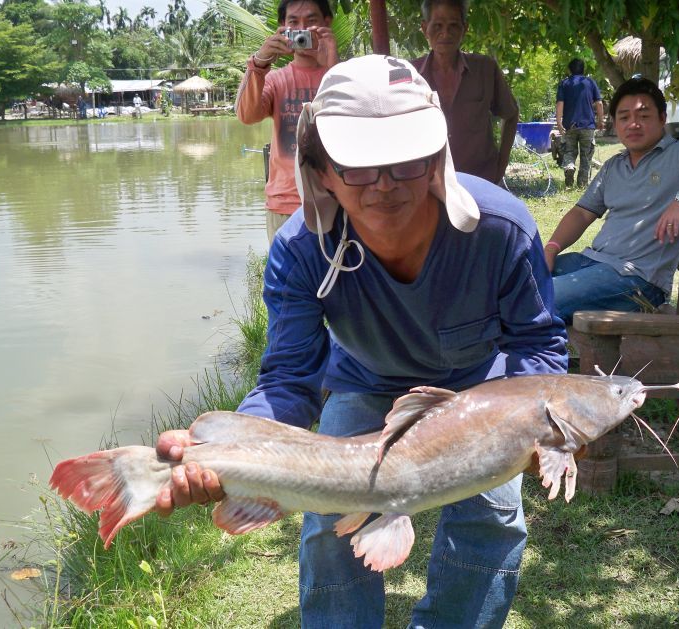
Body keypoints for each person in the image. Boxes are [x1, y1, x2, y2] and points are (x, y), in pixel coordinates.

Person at [155, 55, 568, 627]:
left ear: (434, 160)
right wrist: (236, 449)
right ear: (320, 169)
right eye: (358, 165)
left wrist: (552, 421)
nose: (384, 185)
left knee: (492, 519)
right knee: (329, 523)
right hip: (366, 379)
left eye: (404, 161)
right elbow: (288, 379)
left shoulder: (502, 230)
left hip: (477, 385)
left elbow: (538, 343)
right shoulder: (300, 251)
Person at [545, 76, 679, 324]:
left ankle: (530, 357)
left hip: (636, 279)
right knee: (511, 278)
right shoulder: (614, 166)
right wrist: (552, 247)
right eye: (624, 117)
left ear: (662, 119)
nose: (633, 124)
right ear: (615, 123)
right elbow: (582, 213)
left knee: (534, 298)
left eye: (643, 116)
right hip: (589, 262)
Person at [235, 0, 338, 244]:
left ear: (327, 23)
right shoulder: (275, 80)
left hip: (338, 200)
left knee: (339, 279)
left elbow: (355, 120)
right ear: (283, 28)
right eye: (294, 22)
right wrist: (259, 63)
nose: (302, 28)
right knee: (287, 282)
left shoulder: (343, 74)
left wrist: (333, 64)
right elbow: (245, 115)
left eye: (311, 21)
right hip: (285, 205)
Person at [410, 0, 519, 185]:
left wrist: (501, 165)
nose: (445, 33)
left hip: (482, 181)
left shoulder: (485, 69)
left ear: (465, 28)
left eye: (454, 26)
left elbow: (511, 114)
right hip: (428, 185)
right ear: (424, 28)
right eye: (437, 26)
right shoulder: (410, 75)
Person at [555, 58, 604, 188]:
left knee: (569, 151)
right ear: (584, 69)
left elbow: (560, 103)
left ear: (569, 70)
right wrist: (601, 120)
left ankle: (570, 167)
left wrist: (559, 123)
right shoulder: (590, 82)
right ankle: (582, 184)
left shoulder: (564, 83)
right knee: (586, 156)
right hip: (588, 125)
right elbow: (599, 103)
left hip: (569, 125)